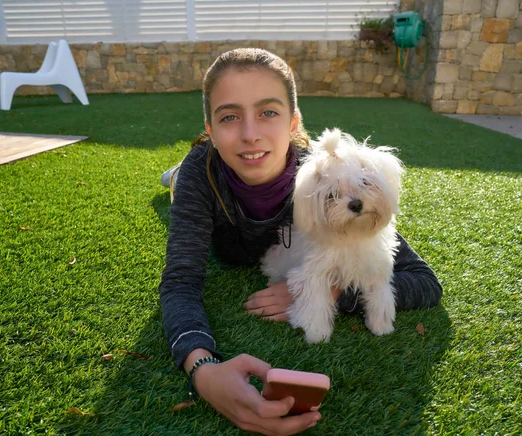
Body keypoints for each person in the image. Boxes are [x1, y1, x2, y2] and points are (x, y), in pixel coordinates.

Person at [158, 48, 442, 435]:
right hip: (202, 186)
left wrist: (326, 292)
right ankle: (172, 177)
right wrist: (203, 369)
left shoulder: (326, 179)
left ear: (293, 123)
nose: (250, 133)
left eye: (268, 112)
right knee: (178, 187)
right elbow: (180, 282)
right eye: (229, 117)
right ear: (209, 128)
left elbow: (424, 281)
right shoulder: (202, 174)